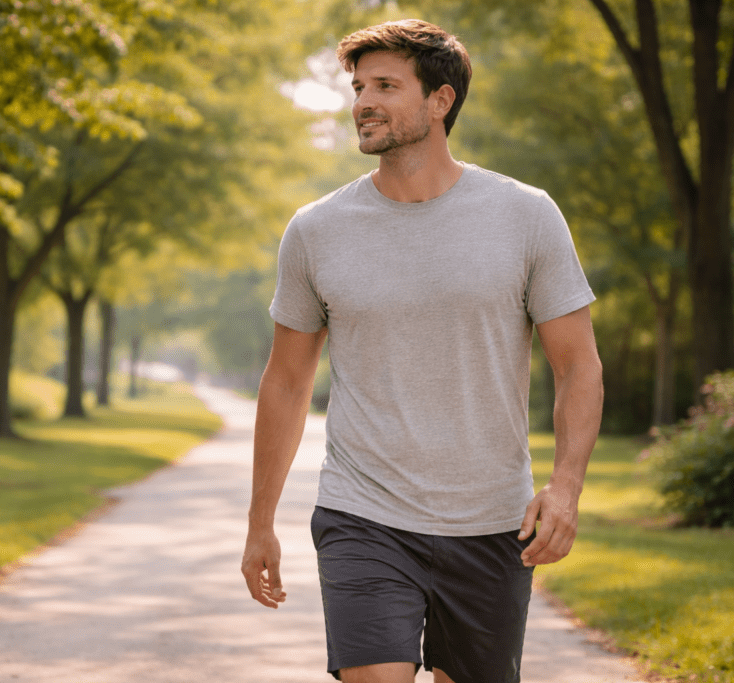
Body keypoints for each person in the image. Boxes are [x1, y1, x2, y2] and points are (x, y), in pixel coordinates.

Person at [241, 19, 603, 683]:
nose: (363, 102)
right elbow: (287, 382)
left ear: (441, 100)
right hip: (363, 513)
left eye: (385, 85)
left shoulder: (526, 215)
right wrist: (260, 520)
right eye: (357, 87)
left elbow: (578, 364)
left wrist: (566, 489)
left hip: (491, 521)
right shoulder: (316, 231)